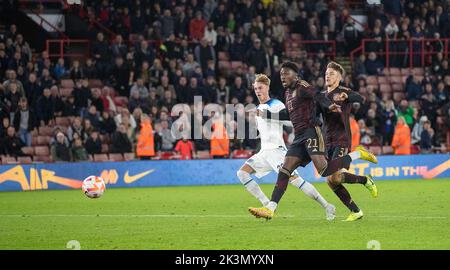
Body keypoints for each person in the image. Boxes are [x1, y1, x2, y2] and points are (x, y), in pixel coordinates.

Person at [248, 62, 378, 220]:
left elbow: (318, 95)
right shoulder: (288, 94)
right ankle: (271, 208)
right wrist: (266, 116)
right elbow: (289, 115)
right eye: (281, 74)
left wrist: (330, 105)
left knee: (326, 172)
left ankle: (358, 155)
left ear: (295, 75)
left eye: (286, 73)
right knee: (285, 169)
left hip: (313, 133)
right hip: (300, 137)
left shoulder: (302, 85)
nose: (283, 76)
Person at [240, 74, 336, 220]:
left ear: (267, 88)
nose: (258, 91)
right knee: (242, 173)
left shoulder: (276, 104)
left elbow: (291, 120)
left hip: (277, 151)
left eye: (260, 88)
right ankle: (267, 204)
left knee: (296, 181)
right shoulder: (258, 108)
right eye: (255, 88)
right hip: (263, 153)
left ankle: (327, 206)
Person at [319, 62, 378, 221]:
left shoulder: (343, 91)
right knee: (331, 181)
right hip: (327, 141)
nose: (328, 75)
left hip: (341, 139)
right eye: (326, 73)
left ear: (339, 77)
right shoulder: (322, 95)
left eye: (331, 73)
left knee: (336, 176)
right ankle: (355, 210)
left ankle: (365, 178)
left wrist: (348, 96)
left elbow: (361, 98)